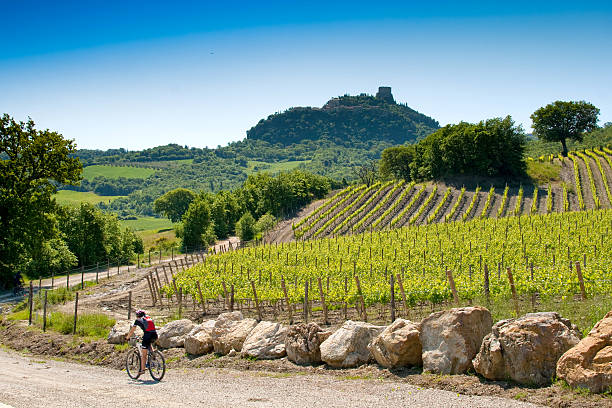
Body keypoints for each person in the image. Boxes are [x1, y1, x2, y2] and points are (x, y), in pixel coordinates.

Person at [125, 310, 158, 375]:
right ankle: (153, 354)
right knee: (149, 343)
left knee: (144, 355)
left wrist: (127, 337)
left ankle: (142, 370)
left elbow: (132, 331)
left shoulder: (137, 320)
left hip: (147, 335)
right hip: (154, 334)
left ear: (137, 316)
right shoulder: (148, 318)